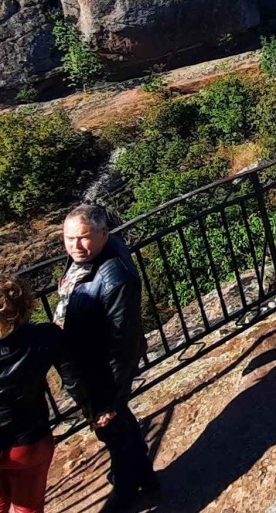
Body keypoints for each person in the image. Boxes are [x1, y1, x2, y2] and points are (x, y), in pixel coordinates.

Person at [55, 206, 156, 512]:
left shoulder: (116, 279)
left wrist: (112, 398)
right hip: (92, 359)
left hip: (103, 369)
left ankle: (126, 491)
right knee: (120, 424)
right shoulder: (90, 257)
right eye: (69, 238)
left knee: (110, 426)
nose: (75, 246)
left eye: (83, 238)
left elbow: (121, 344)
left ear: (102, 234)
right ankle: (146, 479)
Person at [0, 274, 87, 513]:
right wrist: (96, 410)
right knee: (29, 508)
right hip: (29, 440)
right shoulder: (43, 337)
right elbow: (73, 380)